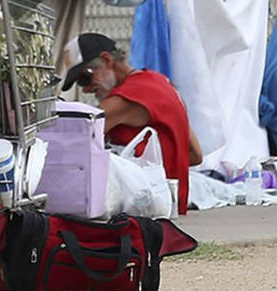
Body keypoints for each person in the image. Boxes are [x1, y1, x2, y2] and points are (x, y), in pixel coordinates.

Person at [60, 32, 203, 214]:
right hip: (171, 202)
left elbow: (70, 144)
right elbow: (195, 154)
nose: (86, 89)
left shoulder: (125, 99)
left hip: (146, 206)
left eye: (84, 79)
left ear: (107, 60)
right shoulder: (161, 82)